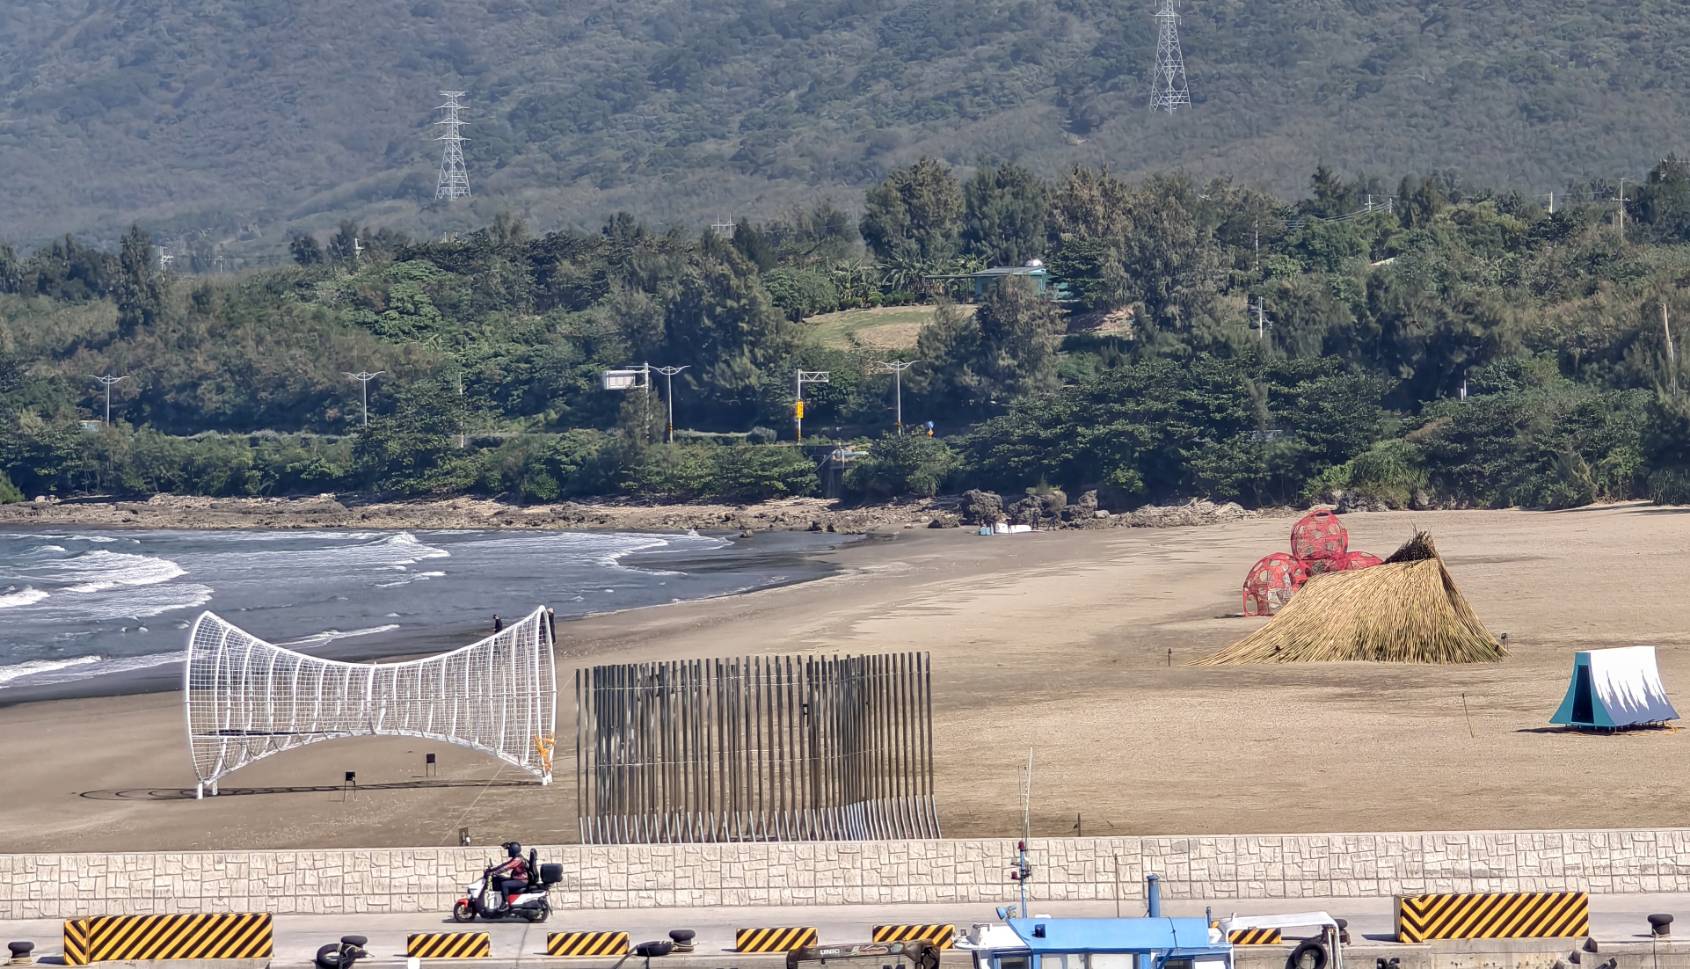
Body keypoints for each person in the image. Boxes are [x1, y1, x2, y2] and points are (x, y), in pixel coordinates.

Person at [490, 841, 529, 911]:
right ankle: (497, 902)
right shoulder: (516, 858)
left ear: (513, 850)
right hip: (517, 879)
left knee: (504, 884)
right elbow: (505, 864)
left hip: (522, 881)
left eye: (509, 850)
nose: (508, 851)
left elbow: (507, 867)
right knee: (498, 878)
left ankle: (505, 903)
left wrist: (495, 872)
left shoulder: (518, 859)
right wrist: (493, 869)